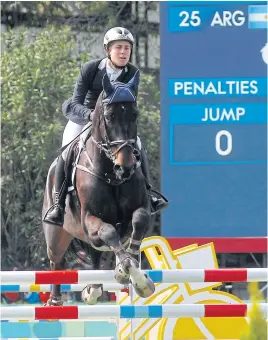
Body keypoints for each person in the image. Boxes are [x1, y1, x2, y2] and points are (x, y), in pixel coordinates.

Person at [43, 27, 168, 226]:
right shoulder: (91, 69)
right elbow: (75, 102)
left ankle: (150, 193)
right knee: (66, 152)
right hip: (85, 118)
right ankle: (58, 205)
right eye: (118, 47)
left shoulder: (132, 72)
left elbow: (128, 104)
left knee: (138, 144)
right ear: (107, 50)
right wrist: (91, 116)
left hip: (113, 124)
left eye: (127, 48)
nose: (123, 52)